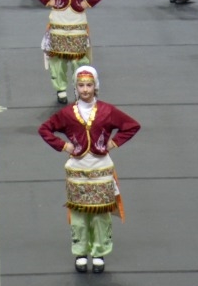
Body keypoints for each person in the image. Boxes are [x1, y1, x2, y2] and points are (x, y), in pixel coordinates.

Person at [38, 64, 139, 274]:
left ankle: (99, 252)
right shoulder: (67, 113)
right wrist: (63, 145)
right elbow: (44, 129)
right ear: (76, 87)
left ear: (96, 86)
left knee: (101, 214)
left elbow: (131, 125)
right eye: (81, 85)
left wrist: (114, 142)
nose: (85, 89)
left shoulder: (107, 111)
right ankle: (81, 252)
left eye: (89, 85)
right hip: (77, 171)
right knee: (79, 216)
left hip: (101, 169)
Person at [27, 0, 110, 104]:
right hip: (58, 20)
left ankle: (79, 88)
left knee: (80, 57)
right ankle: (61, 89)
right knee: (57, 57)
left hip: (77, 21)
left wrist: (88, 2)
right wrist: (48, 0)